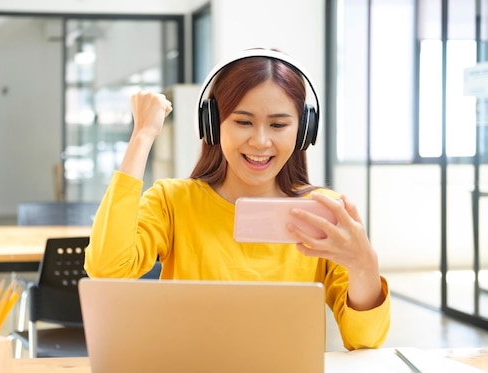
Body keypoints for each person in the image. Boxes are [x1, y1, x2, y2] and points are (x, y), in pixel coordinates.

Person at [85, 48, 390, 350]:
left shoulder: (322, 212)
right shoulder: (173, 201)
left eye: (278, 125)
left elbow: (364, 340)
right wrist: (142, 136)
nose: (259, 141)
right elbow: (107, 269)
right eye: (243, 122)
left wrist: (364, 265)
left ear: (303, 131)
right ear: (213, 125)